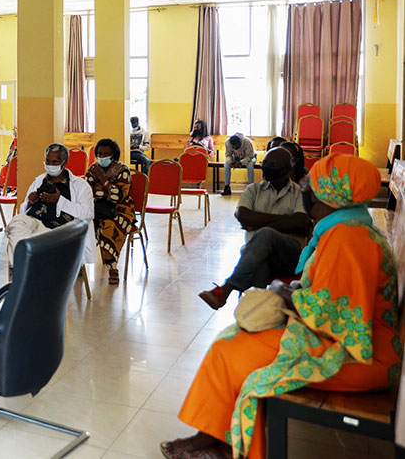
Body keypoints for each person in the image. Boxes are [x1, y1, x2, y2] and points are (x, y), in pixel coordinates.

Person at [163, 154, 400, 459]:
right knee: (234, 339)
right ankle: (219, 440)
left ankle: (219, 443)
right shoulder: (346, 227)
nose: (307, 189)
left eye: (313, 185)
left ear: (331, 194)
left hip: (361, 357)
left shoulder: (349, 239)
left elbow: (336, 317)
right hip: (341, 340)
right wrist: (292, 291)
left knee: (231, 350)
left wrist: (286, 294)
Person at [198, 147, 310, 310]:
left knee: (265, 234)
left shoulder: (299, 193)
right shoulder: (253, 190)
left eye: (273, 164)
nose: (266, 168)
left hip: (289, 256)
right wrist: (286, 222)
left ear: (287, 169)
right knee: (259, 264)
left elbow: (300, 222)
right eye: (265, 163)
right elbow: (242, 215)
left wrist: (258, 222)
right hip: (258, 254)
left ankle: (226, 289)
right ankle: (250, 315)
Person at [4, 143, 94, 269]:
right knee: (16, 223)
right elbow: (23, 209)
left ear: (64, 162)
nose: (50, 165)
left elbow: (88, 213)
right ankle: (19, 269)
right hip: (35, 222)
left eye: (55, 162)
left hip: (61, 229)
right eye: (48, 161)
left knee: (35, 242)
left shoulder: (80, 185)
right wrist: (29, 202)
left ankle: (25, 272)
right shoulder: (39, 180)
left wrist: (60, 201)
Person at [86, 138, 135, 284]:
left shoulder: (122, 170)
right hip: (96, 209)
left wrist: (102, 181)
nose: (102, 157)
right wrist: (105, 190)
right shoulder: (93, 169)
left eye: (106, 153)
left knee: (108, 226)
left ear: (113, 155)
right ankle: (79, 264)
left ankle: (112, 268)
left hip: (120, 210)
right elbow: (87, 192)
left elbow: (119, 196)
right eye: (99, 153)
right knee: (79, 225)